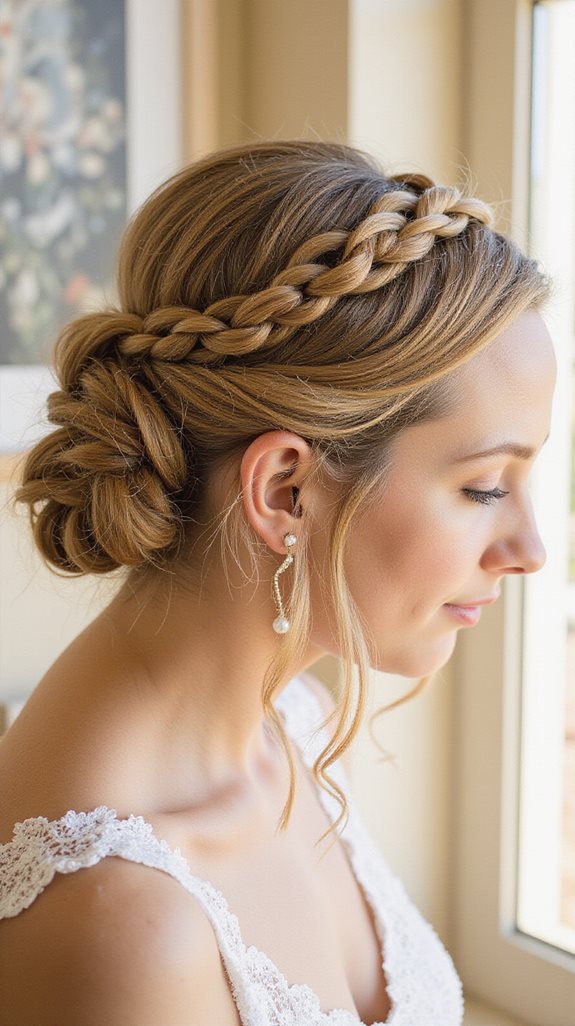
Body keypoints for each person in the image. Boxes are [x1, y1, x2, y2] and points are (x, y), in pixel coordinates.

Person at [0, 140, 555, 1026]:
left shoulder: (289, 723)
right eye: (484, 487)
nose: (529, 549)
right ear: (284, 491)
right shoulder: (123, 926)